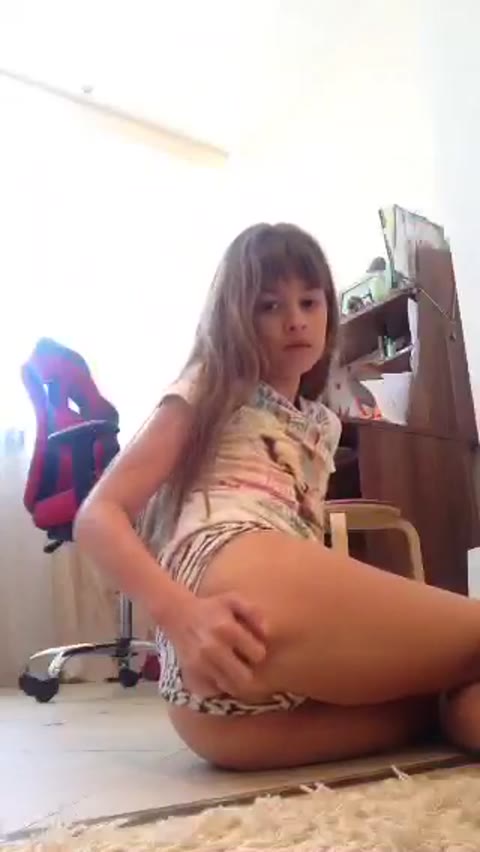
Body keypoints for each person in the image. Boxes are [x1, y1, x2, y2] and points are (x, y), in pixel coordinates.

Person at [75, 223, 480, 771]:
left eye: (309, 302)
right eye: (270, 306)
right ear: (235, 318)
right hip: (230, 592)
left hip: (223, 729)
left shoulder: (320, 422)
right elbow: (97, 515)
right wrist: (180, 615)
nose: (295, 320)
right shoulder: (215, 383)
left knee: (448, 697)